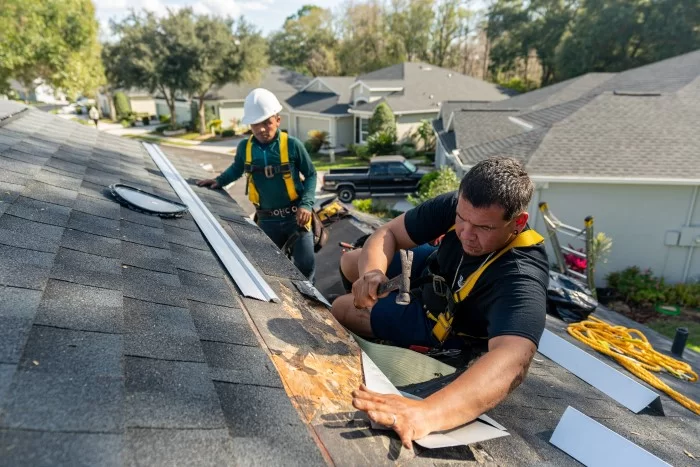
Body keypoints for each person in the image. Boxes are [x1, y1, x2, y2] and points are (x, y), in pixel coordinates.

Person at [331, 157, 549, 448]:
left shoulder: (520, 277)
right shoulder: (466, 206)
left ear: (517, 223)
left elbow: (513, 361)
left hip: (442, 321)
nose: (465, 234)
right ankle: (372, 298)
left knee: (341, 309)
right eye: (461, 218)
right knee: (351, 261)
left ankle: (379, 322)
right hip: (432, 273)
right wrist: (372, 274)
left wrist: (426, 413)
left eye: (483, 228)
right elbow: (388, 232)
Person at [197, 88, 317, 282]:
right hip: (267, 221)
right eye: (255, 124)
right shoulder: (245, 148)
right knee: (270, 269)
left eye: (267, 122)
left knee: (305, 267)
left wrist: (306, 204)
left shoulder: (293, 145)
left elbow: (311, 174)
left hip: (296, 218)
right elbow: (236, 168)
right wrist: (219, 181)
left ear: (278, 120)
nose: (261, 129)